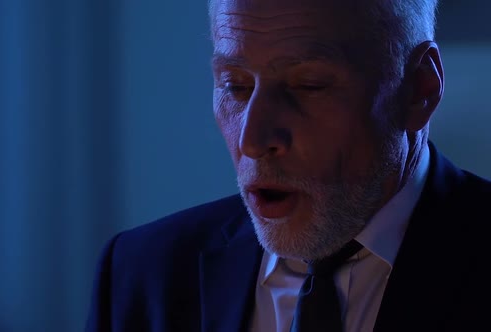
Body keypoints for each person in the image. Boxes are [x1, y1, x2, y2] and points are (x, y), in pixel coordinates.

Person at [85, 0, 491, 331]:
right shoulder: (142, 273)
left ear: (420, 89)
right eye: (235, 86)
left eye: (308, 85)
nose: (253, 140)